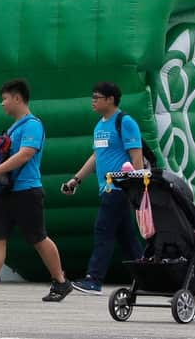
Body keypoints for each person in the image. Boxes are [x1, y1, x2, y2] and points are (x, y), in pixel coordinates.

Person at [0, 79, 73, 302]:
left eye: (5, 99)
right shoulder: (12, 128)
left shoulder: (33, 125)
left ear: (17, 98)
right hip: (4, 193)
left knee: (38, 238)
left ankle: (61, 281)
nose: (3, 104)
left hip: (26, 192)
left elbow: (26, 154)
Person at [62, 82, 145, 295]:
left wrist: (135, 190)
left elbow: (137, 158)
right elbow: (96, 157)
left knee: (103, 230)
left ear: (110, 99)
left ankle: (94, 279)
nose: (93, 101)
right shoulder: (100, 126)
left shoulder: (125, 123)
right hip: (106, 189)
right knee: (127, 239)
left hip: (119, 189)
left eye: (97, 97)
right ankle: (147, 278)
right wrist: (76, 180)